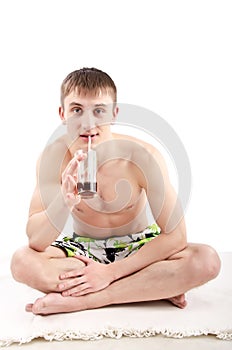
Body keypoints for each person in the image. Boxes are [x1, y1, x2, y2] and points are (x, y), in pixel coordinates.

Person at [11, 67, 221, 315]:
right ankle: (150, 288)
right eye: (77, 110)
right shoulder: (53, 158)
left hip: (139, 248)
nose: (88, 123)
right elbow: (36, 241)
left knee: (206, 260)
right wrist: (63, 202)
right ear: (62, 114)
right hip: (83, 251)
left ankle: (87, 299)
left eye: (99, 111)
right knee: (21, 262)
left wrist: (109, 274)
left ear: (114, 113)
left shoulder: (143, 157)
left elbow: (176, 236)